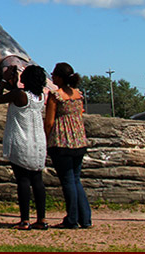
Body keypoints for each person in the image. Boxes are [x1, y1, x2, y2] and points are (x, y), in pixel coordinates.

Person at [0, 64, 49, 230]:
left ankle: (25, 220)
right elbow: (19, 96)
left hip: (21, 140)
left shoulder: (19, 94)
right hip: (38, 140)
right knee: (37, 180)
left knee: (23, 180)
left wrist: (4, 81)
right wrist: (14, 82)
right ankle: (42, 219)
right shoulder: (40, 97)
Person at [45, 62, 92, 229]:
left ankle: (72, 218)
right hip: (79, 140)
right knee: (76, 180)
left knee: (68, 181)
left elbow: (49, 122)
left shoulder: (55, 96)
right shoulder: (78, 95)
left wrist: (46, 140)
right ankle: (85, 218)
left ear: (58, 77)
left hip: (61, 140)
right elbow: (79, 114)